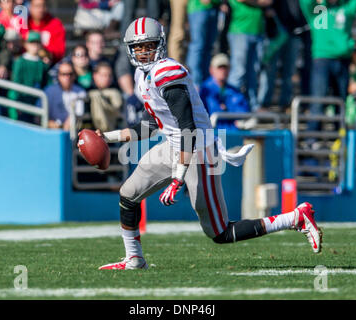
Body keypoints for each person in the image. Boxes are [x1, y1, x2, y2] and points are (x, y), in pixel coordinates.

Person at [82, 17, 322, 270]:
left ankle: (295, 217)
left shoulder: (166, 73)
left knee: (219, 233)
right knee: (128, 194)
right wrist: (105, 137)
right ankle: (134, 258)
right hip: (173, 146)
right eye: (138, 47)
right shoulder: (143, 77)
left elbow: (189, 129)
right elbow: (148, 126)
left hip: (199, 150)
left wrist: (177, 179)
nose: (143, 52)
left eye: (149, 45)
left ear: (160, 45)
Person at [300, 0, 356, 130]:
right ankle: (312, 138)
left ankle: (340, 136)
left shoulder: (345, 8)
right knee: (318, 100)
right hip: (322, 59)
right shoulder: (317, 9)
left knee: (341, 101)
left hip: (343, 60)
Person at [227, 0, 272, 112]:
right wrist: (259, 2)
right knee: (238, 71)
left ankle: (252, 106)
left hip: (258, 31)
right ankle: (232, 107)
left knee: (254, 72)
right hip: (240, 30)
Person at [199, 53, 250, 130]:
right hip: (214, 133)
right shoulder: (205, 90)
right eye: (219, 67)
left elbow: (243, 111)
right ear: (211, 70)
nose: (223, 71)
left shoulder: (234, 91)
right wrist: (228, 112)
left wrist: (226, 109)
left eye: (225, 68)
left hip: (233, 133)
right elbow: (209, 112)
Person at [8, 31, 49, 122]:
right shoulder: (20, 62)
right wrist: (14, 106)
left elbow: (45, 85)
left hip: (36, 104)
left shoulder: (42, 64)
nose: (34, 46)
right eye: (31, 43)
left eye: (37, 43)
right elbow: (15, 84)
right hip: (22, 103)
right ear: (26, 44)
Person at [186, 0, 220, 87]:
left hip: (215, 7)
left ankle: (205, 84)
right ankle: (194, 82)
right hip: (199, 8)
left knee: (208, 48)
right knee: (198, 46)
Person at [20, 0, 66, 64]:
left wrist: (45, 53)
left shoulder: (56, 24)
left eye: (43, 6)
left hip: (49, 64)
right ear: (30, 7)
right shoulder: (23, 23)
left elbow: (59, 51)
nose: (41, 9)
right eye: (37, 6)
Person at [44, 61, 86, 130]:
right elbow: (39, 118)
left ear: (74, 75)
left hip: (71, 131)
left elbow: (78, 115)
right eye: (64, 74)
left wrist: (64, 128)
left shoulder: (80, 92)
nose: (67, 77)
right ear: (58, 75)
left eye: (70, 74)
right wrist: (51, 124)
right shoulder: (49, 91)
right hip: (50, 131)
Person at [89, 62, 123, 132]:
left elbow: (118, 106)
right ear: (95, 75)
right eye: (103, 75)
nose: (107, 78)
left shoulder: (115, 91)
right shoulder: (89, 90)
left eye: (109, 75)